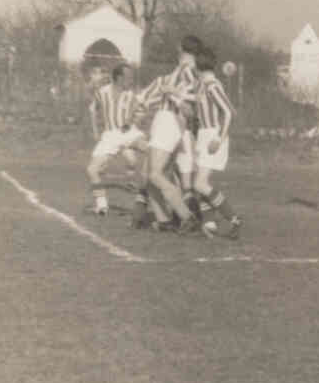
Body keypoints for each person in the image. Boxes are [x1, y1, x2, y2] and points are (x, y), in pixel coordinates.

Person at [136, 37, 201, 231]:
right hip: (166, 120)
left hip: (170, 120)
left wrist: (172, 91)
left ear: (184, 48)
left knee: (155, 174)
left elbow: (197, 97)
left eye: (179, 47)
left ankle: (186, 217)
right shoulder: (181, 67)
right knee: (148, 174)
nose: (176, 49)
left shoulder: (189, 68)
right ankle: (164, 220)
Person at [192, 47, 243, 239]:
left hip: (213, 136)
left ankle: (234, 218)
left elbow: (229, 113)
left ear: (198, 65)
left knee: (199, 183)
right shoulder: (201, 85)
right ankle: (210, 223)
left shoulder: (212, 85)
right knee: (199, 183)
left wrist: (218, 139)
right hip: (204, 136)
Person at [86, 63, 145, 216]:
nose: (131, 80)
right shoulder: (102, 92)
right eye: (129, 77)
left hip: (128, 133)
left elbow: (140, 110)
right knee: (92, 170)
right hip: (110, 135)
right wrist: (95, 131)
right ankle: (102, 206)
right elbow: (93, 110)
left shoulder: (131, 94)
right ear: (119, 78)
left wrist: (133, 120)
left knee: (155, 152)